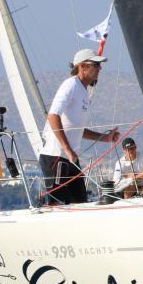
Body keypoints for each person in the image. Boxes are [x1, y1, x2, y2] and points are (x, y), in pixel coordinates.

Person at [38, 49, 120, 205]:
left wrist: (105, 138)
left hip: (70, 158)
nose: (100, 69)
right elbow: (52, 115)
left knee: (81, 202)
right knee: (55, 205)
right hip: (56, 156)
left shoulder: (83, 91)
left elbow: (77, 129)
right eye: (96, 64)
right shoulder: (71, 85)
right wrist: (67, 149)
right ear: (82, 66)